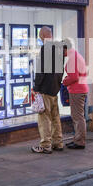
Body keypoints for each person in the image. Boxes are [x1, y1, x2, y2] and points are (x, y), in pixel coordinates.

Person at [31, 26, 64, 154]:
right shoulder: (59, 47)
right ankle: (58, 143)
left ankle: (45, 145)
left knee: (44, 117)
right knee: (55, 117)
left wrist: (36, 87)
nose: (40, 39)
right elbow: (61, 69)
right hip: (55, 87)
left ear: (43, 36)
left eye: (40, 37)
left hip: (45, 88)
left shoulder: (46, 48)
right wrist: (58, 83)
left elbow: (41, 70)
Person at [62, 39, 89, 149]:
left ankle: (79, 141)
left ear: (65, 48)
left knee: (77, 117)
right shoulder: (77, 56)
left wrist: (64, 81)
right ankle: (78, 139)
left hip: (77, 90)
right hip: (80, 88)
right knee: (78, 116)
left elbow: (74, 77)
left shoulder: (73, 58)